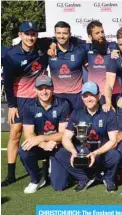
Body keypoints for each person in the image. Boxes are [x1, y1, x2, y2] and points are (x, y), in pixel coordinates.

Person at [2, 21, 54, 187]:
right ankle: (10, 175)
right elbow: (8, 84)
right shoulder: (11, 56)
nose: (31, 37)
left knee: (41, 133)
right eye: (27, 34)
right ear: (20, 35)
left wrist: (52, 43)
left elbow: (58, 39)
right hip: (21, 100)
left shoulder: (42, 45)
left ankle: (45, 173)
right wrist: (12, 105)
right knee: (15, 134)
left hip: (40, 98)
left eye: (33, 34)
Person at [54, 81, 121, 192]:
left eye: (92, 95)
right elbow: (65, 138)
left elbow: (113, 141)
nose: (89, 99)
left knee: (115, 154)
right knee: (60, 152)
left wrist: (95, 153)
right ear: (82, 97)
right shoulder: (76, 113)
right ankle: (84, 178)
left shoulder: (108, 113)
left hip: (102, 153)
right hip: (82, 153)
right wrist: (73, 152)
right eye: (85, 96)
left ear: (99, 96)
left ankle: (109, 179)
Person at [18, 75, 70, 193]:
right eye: (40, 88)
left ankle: (57, 167)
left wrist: (42, 137)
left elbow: (63, 134)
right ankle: (36, 179)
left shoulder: (63, 104)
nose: (44, 91)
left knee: (59, 186)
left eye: (47, 88)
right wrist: (43, 144)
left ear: (52, 88)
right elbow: (28, 134)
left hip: (58, 145)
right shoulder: (29, 106)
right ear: (35, 90)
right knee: (23, 150)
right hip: (40, 146)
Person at [48, 21, 87, 111]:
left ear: (70, 35)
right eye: (58, 33)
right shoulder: (49, 51)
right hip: (56, 96)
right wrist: (53, 42)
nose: (61, 36)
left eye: (65, 33)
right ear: (54, 34)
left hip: (76, 96)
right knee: (60, 125)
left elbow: (96, 46)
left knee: (76, 124)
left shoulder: (79, 50)